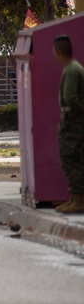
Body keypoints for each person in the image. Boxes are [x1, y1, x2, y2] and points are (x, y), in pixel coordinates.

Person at [54, 35, 84, 214]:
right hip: (71, 120)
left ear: (58, 51)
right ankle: (74, 197)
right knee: (68, 157)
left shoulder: (72, 70)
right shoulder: (71, 68)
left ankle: (79, 198)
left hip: (74, 121)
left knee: (72, 157)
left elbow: (71, 98)